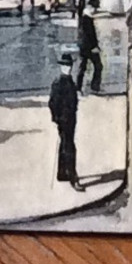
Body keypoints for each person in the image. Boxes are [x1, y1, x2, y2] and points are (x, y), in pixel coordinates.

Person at [49, 53, 83, 190]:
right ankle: (73, 177)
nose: (67, 68)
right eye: (65, 66)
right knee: (70, 148)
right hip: (64, 120)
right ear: (61, 67)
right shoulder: (59, 83)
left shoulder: (69, 81)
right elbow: (52, 103)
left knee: (64, 144)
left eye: (69, 65)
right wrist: (57, 119)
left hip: (71, 119)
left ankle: (62, 172)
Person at [76, 11, 103, 94]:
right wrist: (94, 46)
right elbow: (90, 35)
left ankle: (78, 86)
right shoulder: (87, 20)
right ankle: (95, 86)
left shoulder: (83, 19)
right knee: (98, 66)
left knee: (82, 67)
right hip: (89, 48)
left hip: (83, 47)